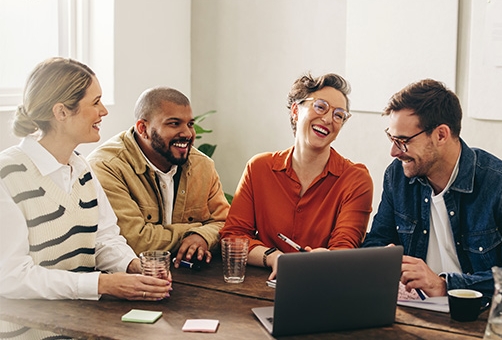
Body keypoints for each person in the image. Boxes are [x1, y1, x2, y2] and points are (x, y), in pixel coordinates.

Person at [0, 57, 172, 338]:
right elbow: (10, 277)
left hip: (82, 327)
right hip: (30, 333)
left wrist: (132, 266)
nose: (103, 111)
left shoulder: (82, 168)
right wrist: (102, 284)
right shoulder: (6, 175)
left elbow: (104, 238)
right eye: (95, 102)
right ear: (61, 112)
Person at [362, 79, 502, 298]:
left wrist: (444, 285)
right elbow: (376, 243)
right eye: (391, 138)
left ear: (441, 135)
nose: (394, 151)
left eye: (403, 141)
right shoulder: (397, 176)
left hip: (478, 319)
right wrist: (381, 261)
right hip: (416, 313)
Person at [219, 73, 373, 279]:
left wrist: (328, 258)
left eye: (339, 115)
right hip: (259, 285)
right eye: (320, 106)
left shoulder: (355, 179)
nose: (328, 119)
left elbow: (344, 248)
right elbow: (234, 236)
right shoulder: (259, 168)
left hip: (322, 285)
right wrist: (274, 258)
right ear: (295, 110)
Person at [88, 87, 230, 268]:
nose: (187, 133)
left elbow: (226, 224)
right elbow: (136, 241)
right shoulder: (107, 166)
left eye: (190, 124)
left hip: (195, 279)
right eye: (174, 123)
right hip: (132, 282)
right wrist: (194, 233)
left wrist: (203, 236)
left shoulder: (203, 165)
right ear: (143, 128)